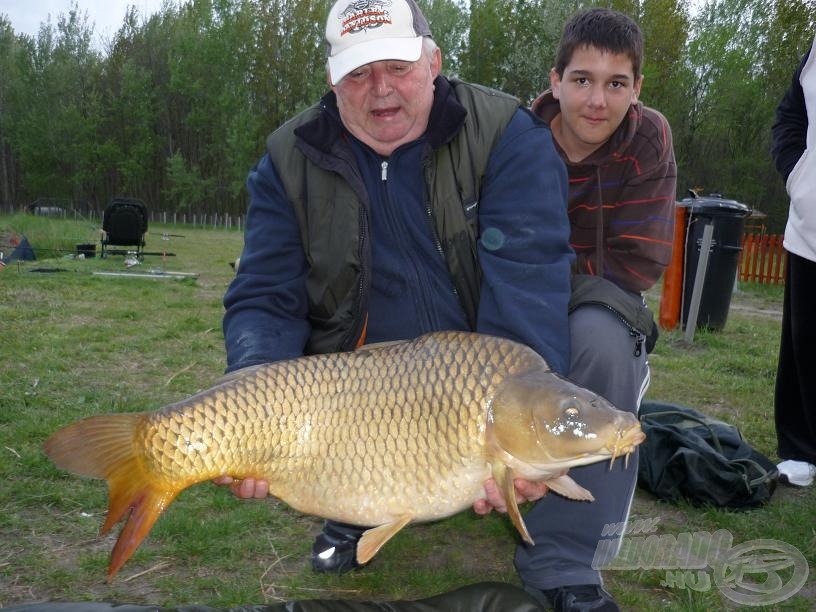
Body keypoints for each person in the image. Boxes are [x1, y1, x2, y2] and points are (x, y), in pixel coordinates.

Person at [220, 0, 572, 580]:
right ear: (333, 83)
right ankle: (350, 502)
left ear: (433, 62)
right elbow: (264, 296)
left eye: (398, 66)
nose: (380, 88)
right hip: (350, 381)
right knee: (292, 401)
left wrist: (517, 439)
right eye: (358, 72)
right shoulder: (287, 159)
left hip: (470, 365)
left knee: (602, 336)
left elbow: (529, 282)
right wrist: (252, 400)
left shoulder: (508, 137)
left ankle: (564, 558)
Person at [518, 8, 677, 611]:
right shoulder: (516, 137)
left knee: (599, 342)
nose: (596, 101)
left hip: (599, 300)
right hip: (512, 292)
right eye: (582, 80)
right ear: (554, 80)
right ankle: (374, 500)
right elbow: (497, 246)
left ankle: (563, 560)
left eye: (616, 84)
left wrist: (555, 287)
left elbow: (638, 264)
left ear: (636, 89)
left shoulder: (649, 137)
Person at [770, 38, 816, 488]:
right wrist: (799, 177)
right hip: (811, 226)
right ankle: (800, 449)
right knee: (804, 339)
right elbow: (790, 118)